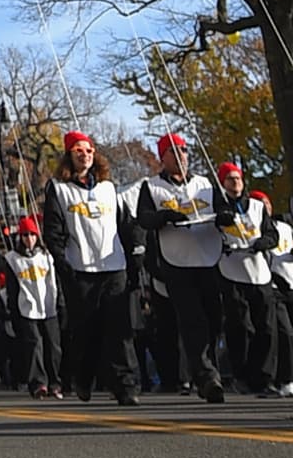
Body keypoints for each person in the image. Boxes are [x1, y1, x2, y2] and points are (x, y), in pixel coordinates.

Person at [44, 130, 139, 406]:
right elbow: (53, 232)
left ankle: (125, 384)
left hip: (114, 267)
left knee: (119, 328)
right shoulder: (59, 189)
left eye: (88, 150)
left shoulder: (110, 189)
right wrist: (64, 265)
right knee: (86, 330)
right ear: (69, 156)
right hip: (80, 270)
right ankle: (83, 377)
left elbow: (126, 225)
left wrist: (135, 255)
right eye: (78, 151)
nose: (84, 155)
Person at [134, 132, 225, 403]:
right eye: (174, 151)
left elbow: (222, 209)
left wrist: (225, 216)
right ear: (163, 157)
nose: (181, 156)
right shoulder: (151, 187)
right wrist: (163, 216)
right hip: (176, 261)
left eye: (184, 150)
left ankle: (210, 372)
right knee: (192, 320)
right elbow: (144, 218)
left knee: (213, 319)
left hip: (208, 257)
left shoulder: (205, 184)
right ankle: (207, 377)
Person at [214, 161, 278, 395]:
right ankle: (241, 374)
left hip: (259, 271)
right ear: (222, 183)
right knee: (240, 326)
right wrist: (221, 219)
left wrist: (264, 242)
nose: (235, 183)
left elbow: (272, 233)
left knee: (267, 328)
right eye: (230, 179)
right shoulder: (217, 208)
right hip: (231, 270)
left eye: (238, 178)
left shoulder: (256, 207)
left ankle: (265, 377)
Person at [0, 216, 62, 399]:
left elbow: (55, 281)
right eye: (25, 235)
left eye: (32, 235)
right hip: (27, 307)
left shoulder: (47, 257)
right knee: (34, 344)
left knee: (53, 346)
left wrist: (60, 303)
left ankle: (55, 382)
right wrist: (13, 310)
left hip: (48, 306)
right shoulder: (12, 259)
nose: (29, 239)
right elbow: (12, 287)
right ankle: (38, 383)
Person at [253, 192, 293, 395]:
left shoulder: (285, 227)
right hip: (273, 287)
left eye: (267, 202)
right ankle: (284, 380)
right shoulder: (253, 231)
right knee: (285, 333)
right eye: (259, 203)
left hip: (291, 284)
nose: (265, 206)